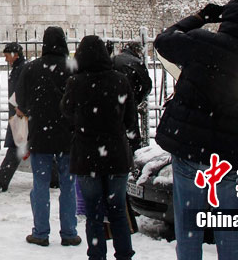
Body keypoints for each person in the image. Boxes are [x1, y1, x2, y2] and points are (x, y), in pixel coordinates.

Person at [155, 0, 238, 260]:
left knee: (188, 228)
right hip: (227, 155)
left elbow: (163, 41)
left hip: (188, 147)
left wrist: (198, 18)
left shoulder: (200, 42)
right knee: (228, 232)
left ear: (227, 16)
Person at [61, 35, 140, 260]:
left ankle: (96, 254)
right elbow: (130, 119)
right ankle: (124, 254)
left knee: (93, 212)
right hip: (116, 154)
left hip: (87, 155)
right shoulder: (120, 80)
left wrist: (83, 124)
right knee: (118, 211)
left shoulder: (75, 83)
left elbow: (66, 113)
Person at [14, 26, 81, 248]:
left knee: (40, 184)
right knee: (68, 185)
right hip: (68, 133)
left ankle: (41, 232)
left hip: (40, 133)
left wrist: (35, 110)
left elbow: (20, 102)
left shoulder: (31, 68)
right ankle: (69, 232)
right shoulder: (72, 67)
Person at [0, 42, 26, 191]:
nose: (5, 59)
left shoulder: (21, 69)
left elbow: (23, 90)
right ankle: (55, 178)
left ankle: (1, 180)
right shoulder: (19, 69)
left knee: (17, 146)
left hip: (21, 113)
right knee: (30, 146)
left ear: (15, 55)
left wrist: (20, 107)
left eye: (7, 56)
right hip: (19, 112)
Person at [112, 40, 152, 149]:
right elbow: (146, 85)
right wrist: (137, 99)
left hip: (113, 101)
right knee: (131, 134)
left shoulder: (114, 59)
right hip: (129, 101)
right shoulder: (137, 62)